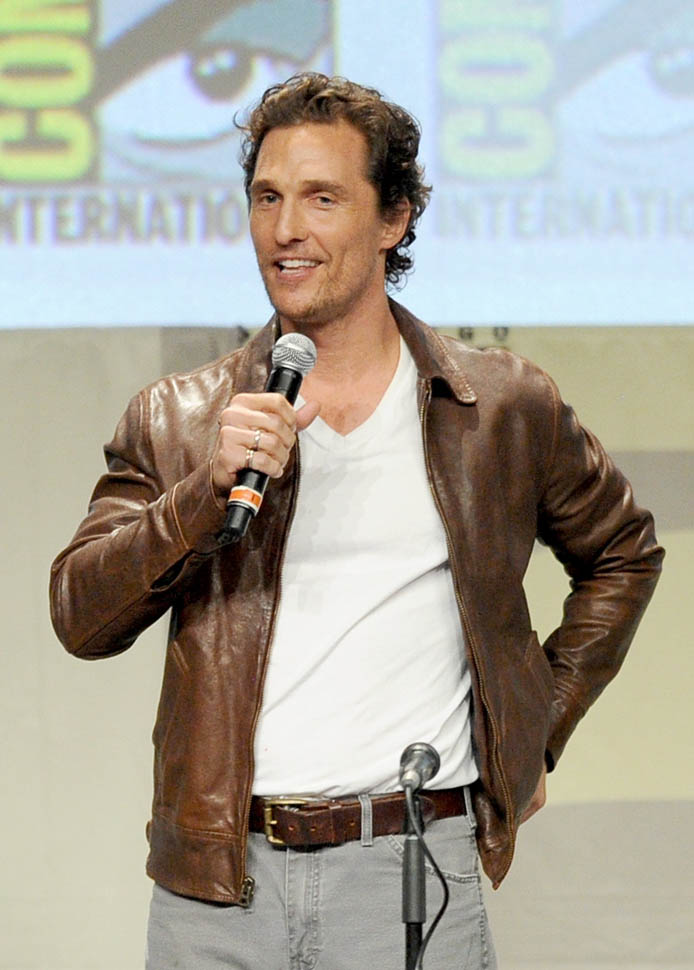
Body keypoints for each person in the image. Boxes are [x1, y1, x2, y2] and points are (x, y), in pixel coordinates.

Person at [50, 73, 663, 970]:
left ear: (394, 219)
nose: (285, 229)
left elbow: (623, 553)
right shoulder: (179, 417)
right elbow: (80, 616)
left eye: (322, 198)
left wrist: (534, 730)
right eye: (267, 198)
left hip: (409, 862)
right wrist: (201, 497)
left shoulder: (498, 405)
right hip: (219, 885)